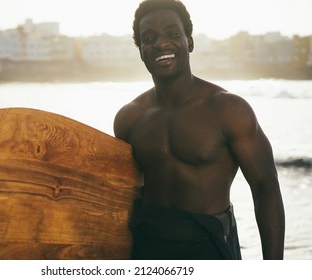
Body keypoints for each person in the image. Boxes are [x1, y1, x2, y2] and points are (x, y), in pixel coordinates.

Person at [114, 0, 285, 260]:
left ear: (189, 42)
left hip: (210, 246)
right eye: (149, 38)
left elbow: (265, 188)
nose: (161, 44)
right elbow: (120, 194)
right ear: (141, 50)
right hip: (148, 247)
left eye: (172, 34)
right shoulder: (129, 118)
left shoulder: (228, 109)